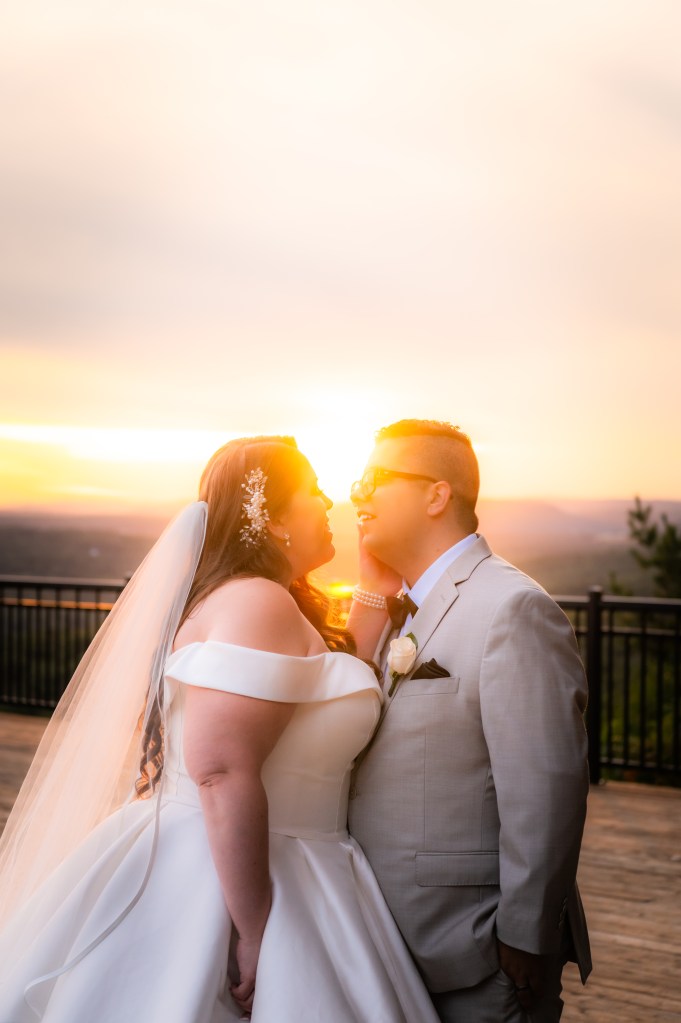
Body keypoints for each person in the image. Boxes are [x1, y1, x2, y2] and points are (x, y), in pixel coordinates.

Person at [0, 436, 440, 1023]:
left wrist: (370, 591)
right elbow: (220, 768)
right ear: (276, 518)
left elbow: (310, 695)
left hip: (277, 858)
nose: (328, 499)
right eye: (313, 489)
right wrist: (258, 929)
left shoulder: (265, 601)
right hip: (233, 875)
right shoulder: (257, 602)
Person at [347, 419, 592, 1023]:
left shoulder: (513, 608)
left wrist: (525, 934)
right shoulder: (396, 608)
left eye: (376, 478)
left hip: (475, 949)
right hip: (381, 941)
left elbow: (545, 790)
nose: (358, 494)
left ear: (436, 495)